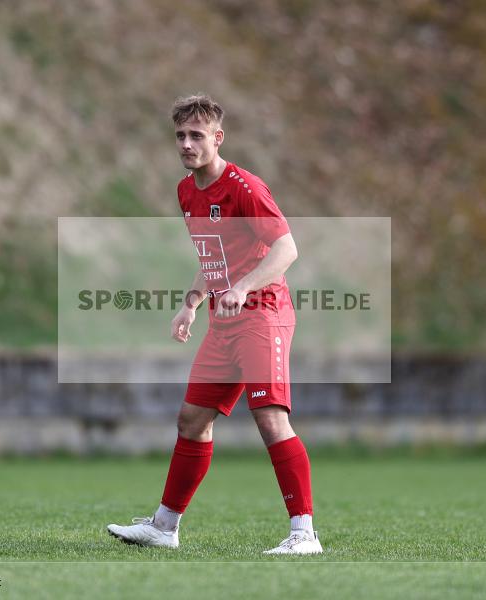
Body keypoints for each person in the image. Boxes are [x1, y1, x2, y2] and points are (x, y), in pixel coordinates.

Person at [107, 94, 322, 554]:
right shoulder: (187, 191)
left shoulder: (244, 187)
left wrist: (243, 288)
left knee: (270, 420)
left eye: (197, 135)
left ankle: (305, 534)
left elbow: (287, 250)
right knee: (191, 420)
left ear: (218, 138)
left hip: (263, 314)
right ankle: (164, 528)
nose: (187, 143)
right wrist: (191, 302)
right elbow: (214, 257)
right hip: (224, 322)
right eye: (181, 136)